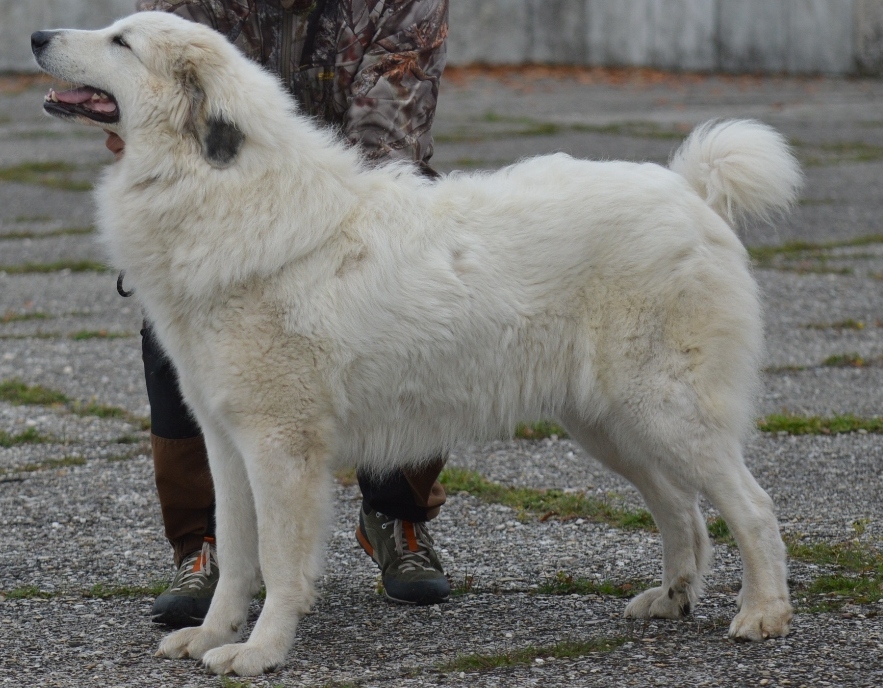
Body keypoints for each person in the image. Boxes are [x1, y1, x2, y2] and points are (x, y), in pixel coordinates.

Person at [112, 0, 451, 627]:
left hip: (346, 196)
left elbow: (391, 137)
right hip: (214, 192)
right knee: (183, 330)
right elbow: (147, 123)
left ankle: (396, 520)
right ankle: (202, 544)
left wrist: (300, 236)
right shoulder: (186, 8)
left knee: (411, 304)